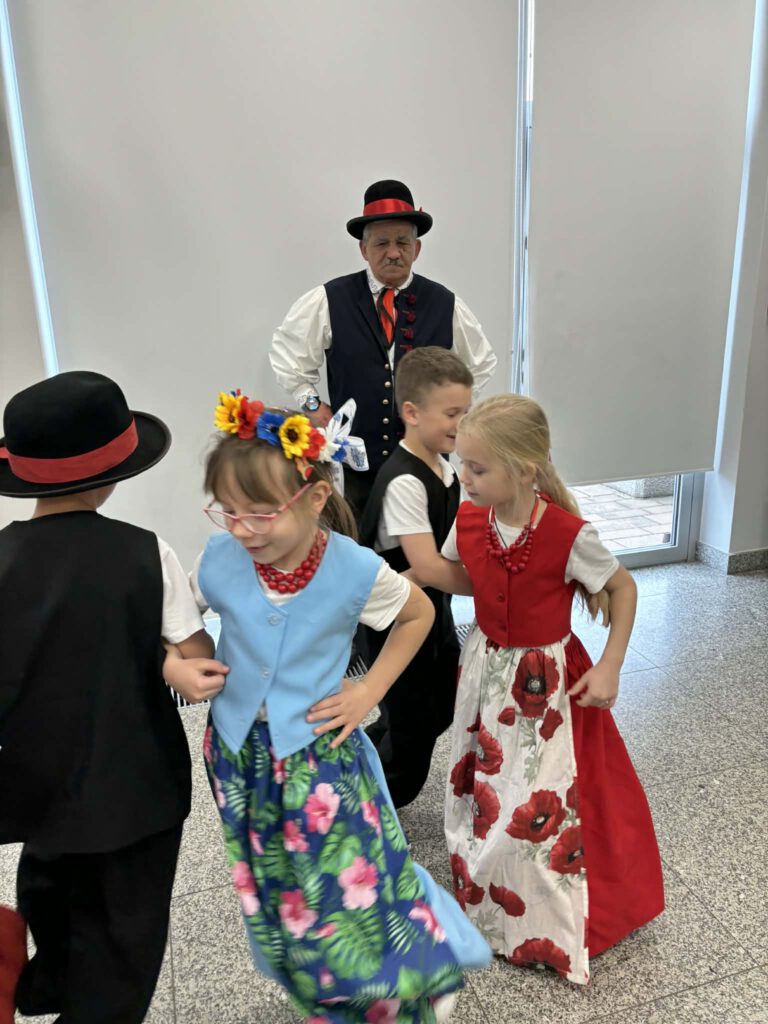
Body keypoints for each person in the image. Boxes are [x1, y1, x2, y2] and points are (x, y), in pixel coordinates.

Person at [164, 390, 491, 1023]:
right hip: (239, 758)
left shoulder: (354, 568)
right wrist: (175, 664)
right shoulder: (220, 558)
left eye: (261, 513)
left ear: (314, 498)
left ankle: (409, 981)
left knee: (349, 886)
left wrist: (369, 690)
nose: (242, 529)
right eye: (228, 511)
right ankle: (323, 987)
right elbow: (180, 626)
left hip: (321, 758)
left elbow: (418, 614)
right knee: (281, 889)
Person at [407, 395, 664, 985]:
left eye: (477, 468)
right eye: (462, 463)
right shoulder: (469, 518)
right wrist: (409, 574)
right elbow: (465, 576)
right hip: (486, 672)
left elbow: (622, 588)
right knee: (487, 784)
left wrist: (611, 665)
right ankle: (490, 895)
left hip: (546, 687)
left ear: (525, 470)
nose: (463, 477)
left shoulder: (569, 534)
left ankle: (550, 913)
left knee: (543, 796)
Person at [0, 371, 215, 1022]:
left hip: (36, 786)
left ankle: (51, 979)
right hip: (135, 789)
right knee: (125, 932)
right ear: (111, 477)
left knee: (49, 886)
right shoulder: (146, 554)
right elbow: (196, 657)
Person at [269, 179, 497, 517]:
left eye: (402, 242)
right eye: (381, 243)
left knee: (426, 546)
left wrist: (450, 415)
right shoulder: (330, 299)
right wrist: (312, 405)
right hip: (353, 472)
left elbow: (480, 364)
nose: (393, 253)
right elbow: (288, 357)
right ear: (364, 249)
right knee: (355, 544)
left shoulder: (445, 304)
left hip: (426, 468)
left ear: (417, 248)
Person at [358, 348, 472, 808]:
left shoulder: (443, 469)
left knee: (441, 702)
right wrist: (492, 589)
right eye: (451, 414)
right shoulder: (405, 480)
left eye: (465, 412)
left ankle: (359, 759)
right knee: (412, 727)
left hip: (432, 612)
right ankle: (373, 809)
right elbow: (426, 567)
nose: (460, 425)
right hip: (397, 624)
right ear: (411, 413)